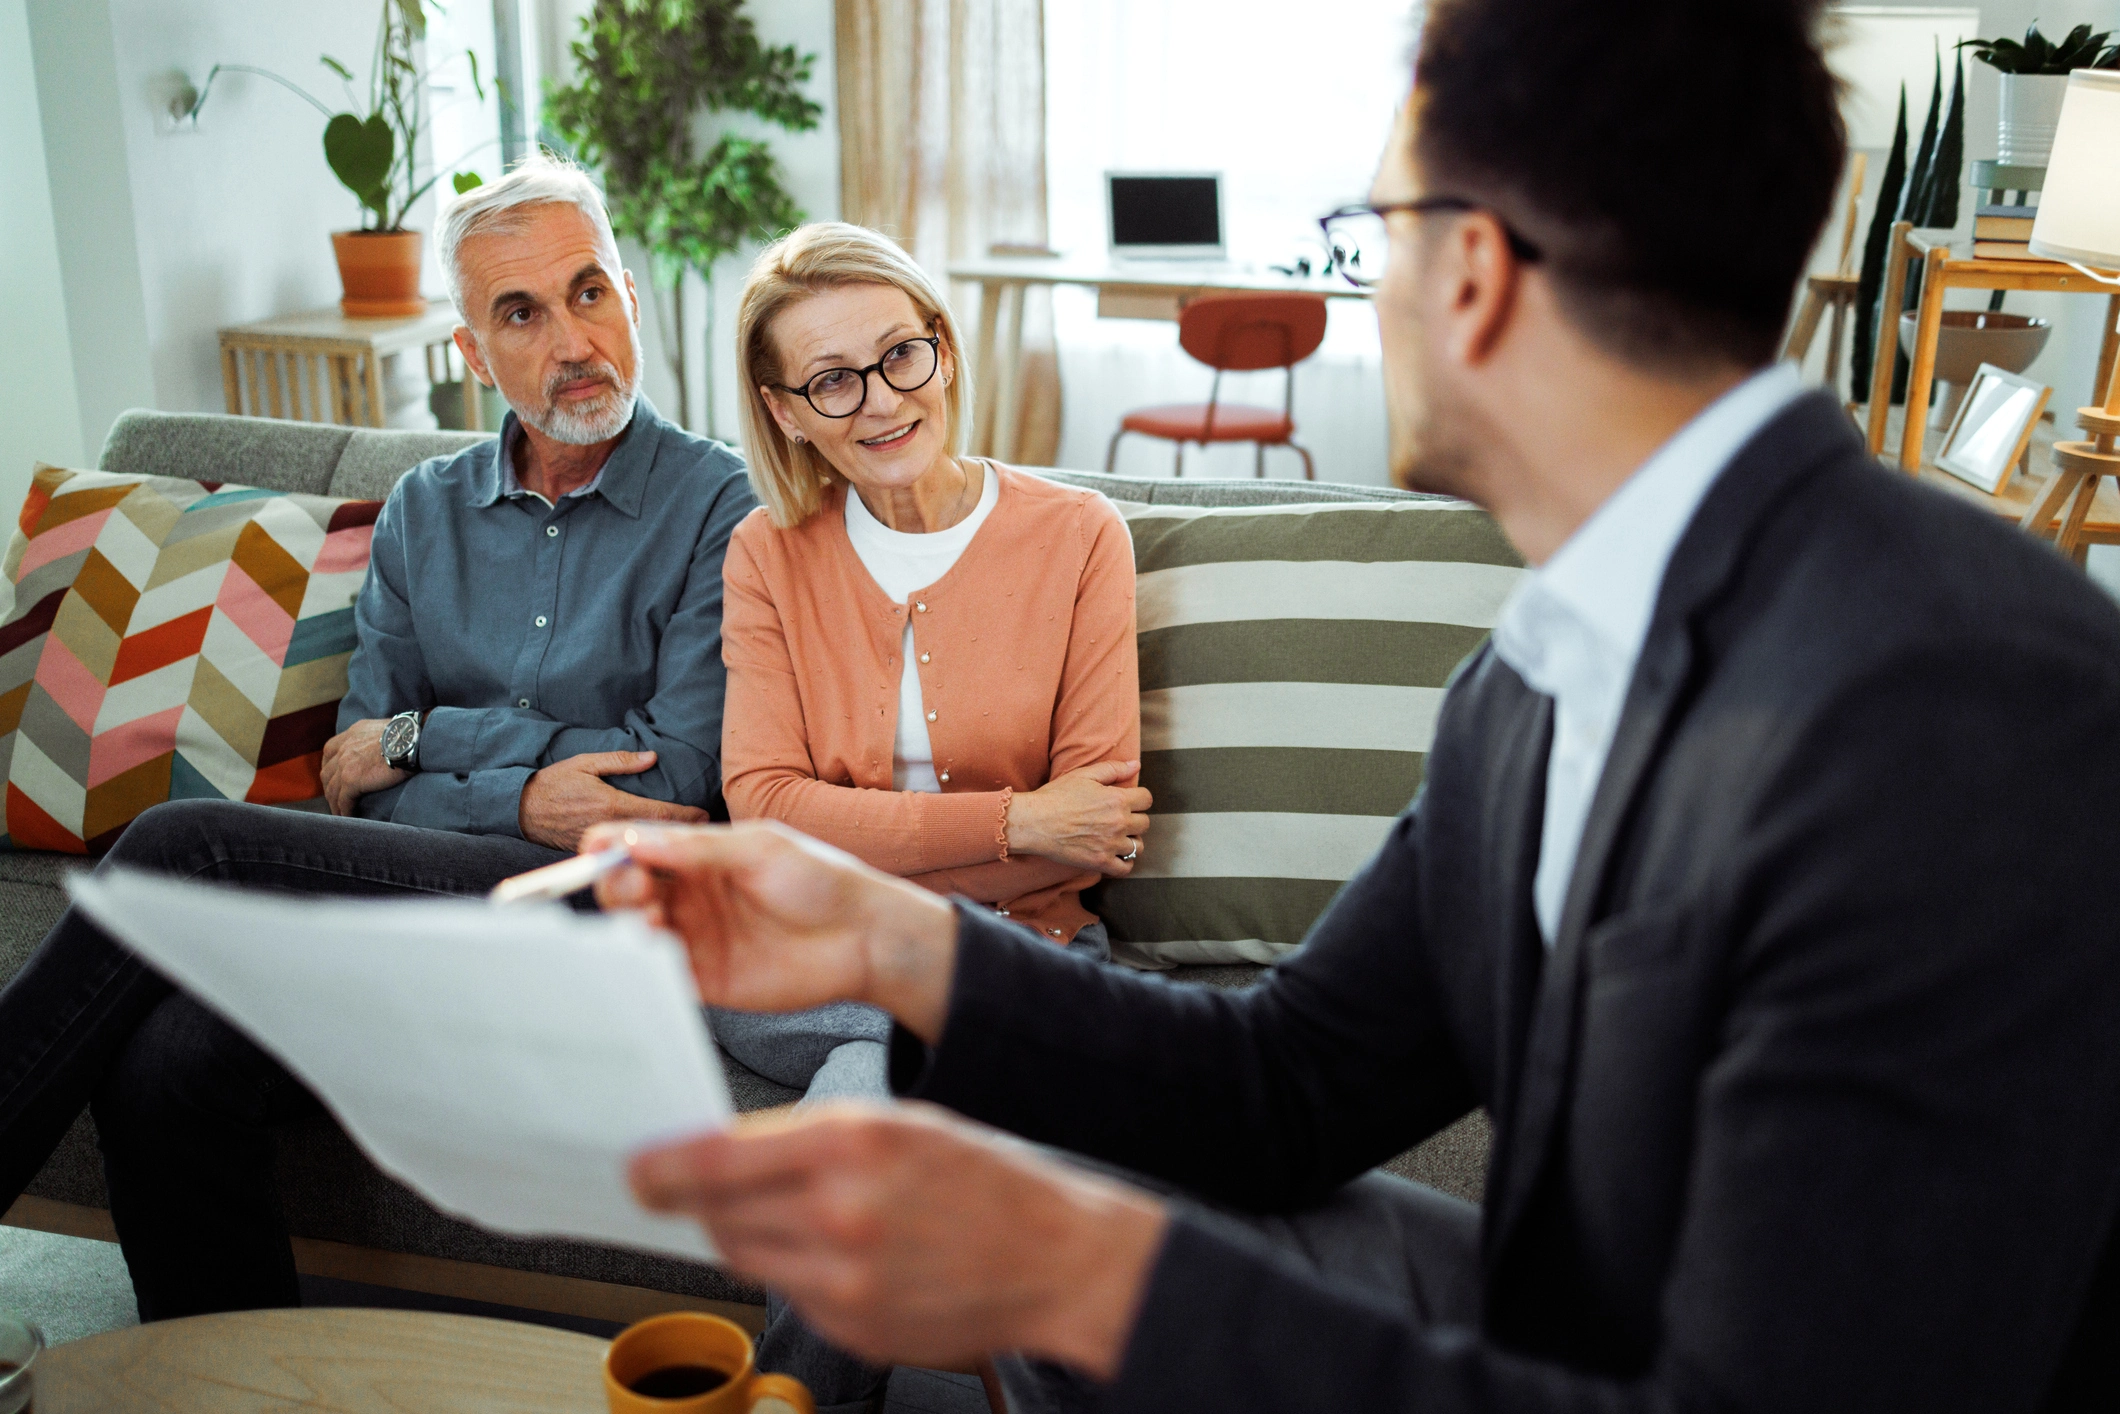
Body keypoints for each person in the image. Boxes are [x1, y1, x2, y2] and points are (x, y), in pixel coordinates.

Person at [581, 1, 2120, 1409]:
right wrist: (887, 939)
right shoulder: (1538, 670)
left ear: (1471, 269)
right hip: (1566, 1324)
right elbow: (1286, 1085)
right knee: (1103, 1198)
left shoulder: (1954, 704)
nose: (1366, 277)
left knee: (1099, 1262)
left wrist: (1077, 1271)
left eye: (1369, 226)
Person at [0, 154, 756, 1319]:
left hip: (595, 918)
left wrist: (430, 742)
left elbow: (673, 778)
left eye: (589, 290)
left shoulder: (720, 503)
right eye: (521, 311)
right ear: (470, 351)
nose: (572, 338)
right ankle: (225, 1386)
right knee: (167, 1064)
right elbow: (358, 776)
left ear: (631, 299)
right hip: (408, 908)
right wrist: (515, 786)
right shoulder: (425, 509)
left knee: (184, 843)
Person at [702, 221, 1148, 1412]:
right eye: (831, 380)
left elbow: (1096, 821)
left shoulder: (1077, 537)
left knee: (855, 1125)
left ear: (942, 351)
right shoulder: (764, 555)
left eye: (900, 355)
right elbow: (762, 806)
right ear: (786, 409)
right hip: (799, 964)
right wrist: (1014, 827)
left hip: (1015, 954)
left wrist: (877, 841)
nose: (879, 400)